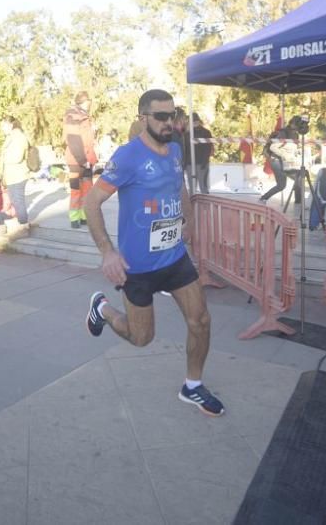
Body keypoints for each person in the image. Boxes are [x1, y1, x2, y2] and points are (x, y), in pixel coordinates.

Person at [83, 89, 225, 417]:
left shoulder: (175, 150)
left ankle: (192, 387)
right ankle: (102, 309)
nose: (169, 122)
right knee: (142, 337)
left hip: (174, 257)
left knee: (201, 320)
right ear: (143, 118)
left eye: (172, 115)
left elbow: (181, 187)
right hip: (139, 267)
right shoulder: (128, 157)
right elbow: (92, 203)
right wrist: (107, 252)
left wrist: (188, 220)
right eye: (160, 116)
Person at [63, 91, 98, 229]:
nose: (90, 104)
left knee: (87, 190)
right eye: (89, 101)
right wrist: (82, 160)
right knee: (76, 190)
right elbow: (73, 140)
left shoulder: (85, 117)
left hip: (87, 159)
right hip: (76, 161)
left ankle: (84, 217)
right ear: (84, 101)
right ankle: (74, 219)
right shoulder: (72, 116)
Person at [0, 115, 30, 234]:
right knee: (15, 200)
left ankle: (24, 225)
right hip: (12, 176)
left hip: (18, 175)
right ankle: (20, 222)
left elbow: (17, 157)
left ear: (10, 125)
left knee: (18, 200)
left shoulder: (18, 137)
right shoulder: (11, 137)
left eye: (3, 126)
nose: (2, 129)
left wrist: (3, 158)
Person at [259, 121, 303, 205]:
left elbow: (291, 149)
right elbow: (273, 147)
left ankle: (298, 202)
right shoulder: (283, 133)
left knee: (299, 178)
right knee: (281, 185)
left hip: (287, 162)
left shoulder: (296, 134)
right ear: (292, 124)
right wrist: (284, 155)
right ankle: (263, 198)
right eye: (299, 125)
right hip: (277, 161)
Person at [191, 113, 214, 194]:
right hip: (191, 163)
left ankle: (205, 204)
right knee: (192, 188)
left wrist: (205, 161)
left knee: (203, 187)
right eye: (193, 121)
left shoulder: (206, 132)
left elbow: (209, 148)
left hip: (202, 162)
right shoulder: (188, 132)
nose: (195, 123)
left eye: (196, 121)